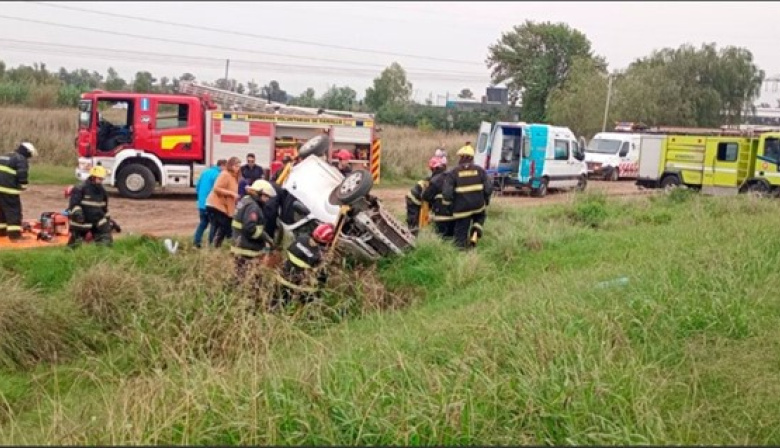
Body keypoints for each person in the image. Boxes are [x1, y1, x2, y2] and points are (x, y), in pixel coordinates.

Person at [272, 222, 335, 310]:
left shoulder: (301, 239)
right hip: (297, 286)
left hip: (282, 277)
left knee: (276, 303)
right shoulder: (319, 256)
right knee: (313, 293)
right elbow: (322, 279)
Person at [442, 144, 493, 249]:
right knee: (480, 217)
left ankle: (461, 252)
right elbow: (488, 188)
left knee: (460, 233)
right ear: (472, 158)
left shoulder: (453, 173)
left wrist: (449, 206)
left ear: (461, 158)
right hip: (478, 206)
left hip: (461, 210)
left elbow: (447, 194)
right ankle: (475, 231)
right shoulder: (480, 170)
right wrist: (486, 200)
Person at [231, 179, 277, 287]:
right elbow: (250, 229)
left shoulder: (245, 200)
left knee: (240, 277)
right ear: (259, 193)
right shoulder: (253, 207)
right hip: (247, 249)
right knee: (253, 280)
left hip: (240, 246)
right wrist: (266, 238)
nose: (267, 200)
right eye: (266, 197)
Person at [67, 165, 113, 248]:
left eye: (102, 179)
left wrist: (108, 221)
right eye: (99, 179)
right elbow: (74, 204)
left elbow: (104, 208)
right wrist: (78, 215)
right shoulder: (80, 188)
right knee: (75, 244)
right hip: (81, 221)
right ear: (93, 177)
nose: (101, 181)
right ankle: (68, 256)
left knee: (106, 240)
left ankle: (104, 257)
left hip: (98, 221)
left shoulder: (102, 191)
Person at [0, 141, 36, 242]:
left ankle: (2, 232)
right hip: (9, 190)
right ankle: (15, 237)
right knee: (13, 212)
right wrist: (23, 186)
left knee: (1, 211)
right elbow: (22, 174)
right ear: (28, 152)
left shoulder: (5, 155)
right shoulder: (21, 159)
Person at [206, 156, 241, 248]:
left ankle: (216, 245)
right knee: (223, 225)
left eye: (239, 166)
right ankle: (213, 245)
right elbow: (216, 188)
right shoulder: (225, 174)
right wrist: (231, 193)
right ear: (231, 166)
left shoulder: (234, 178)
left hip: (224, 207)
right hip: (215, 205)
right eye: (236, 166)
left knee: (224, 226)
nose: (238, 168)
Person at [405, 157, 445, 236]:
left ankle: (416, 234)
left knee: (420, 220)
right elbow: (426, 197)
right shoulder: (432, 180)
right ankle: (412, 235)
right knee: (414, 220)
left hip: (419, 199)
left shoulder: (436, 177)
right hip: (413, 200)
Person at [193, 159, 226, 248]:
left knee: (203, 223)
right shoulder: (218, 175)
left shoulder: (205, 172)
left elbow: (197, 187)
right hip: (210, 204)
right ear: (222, 165)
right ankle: (211, 244)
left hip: (201, 204)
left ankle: (196, 242)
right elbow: (217, 190)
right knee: (214, 224)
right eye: (225, 167)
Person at [422, 157, 454, 239]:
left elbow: (426, 196)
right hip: (455, 215)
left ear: (433, 169)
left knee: (441, 238)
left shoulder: (435, 180)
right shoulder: (452, 176)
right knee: (452, 239)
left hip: (441, 216)